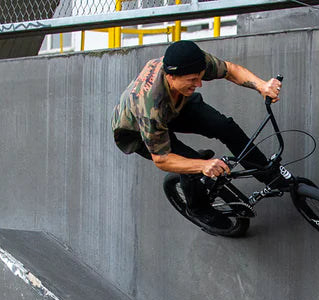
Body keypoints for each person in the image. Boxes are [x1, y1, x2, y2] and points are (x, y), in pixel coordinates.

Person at [112, 39, 283, 224]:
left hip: (176, 104)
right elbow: (162, 159)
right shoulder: (150, 106)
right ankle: (197, 209)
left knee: (224, 126)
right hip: (137, 130)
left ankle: (266, 173)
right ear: (171, 77)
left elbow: (230, 70)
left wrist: (262, 86)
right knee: (190, 163)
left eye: (200, 77)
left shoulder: (191, 61)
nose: (199, 84)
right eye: (193, 80)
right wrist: (200, 165)